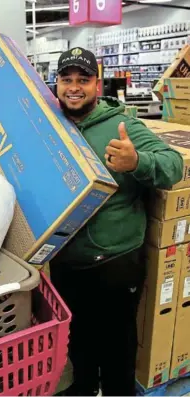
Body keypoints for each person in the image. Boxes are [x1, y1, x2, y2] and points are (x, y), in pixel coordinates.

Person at [49, 48, 183, 397]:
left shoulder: (121, 123)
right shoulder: (48, 123)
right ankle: (83, 387)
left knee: (117, 346)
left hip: (114, 260)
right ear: (57, 84)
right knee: (77, 335)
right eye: (67, 80)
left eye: (83, 80)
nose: (74, 88)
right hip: (65, 255)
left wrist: (136, 161)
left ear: (97, 83)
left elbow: (173, 166)